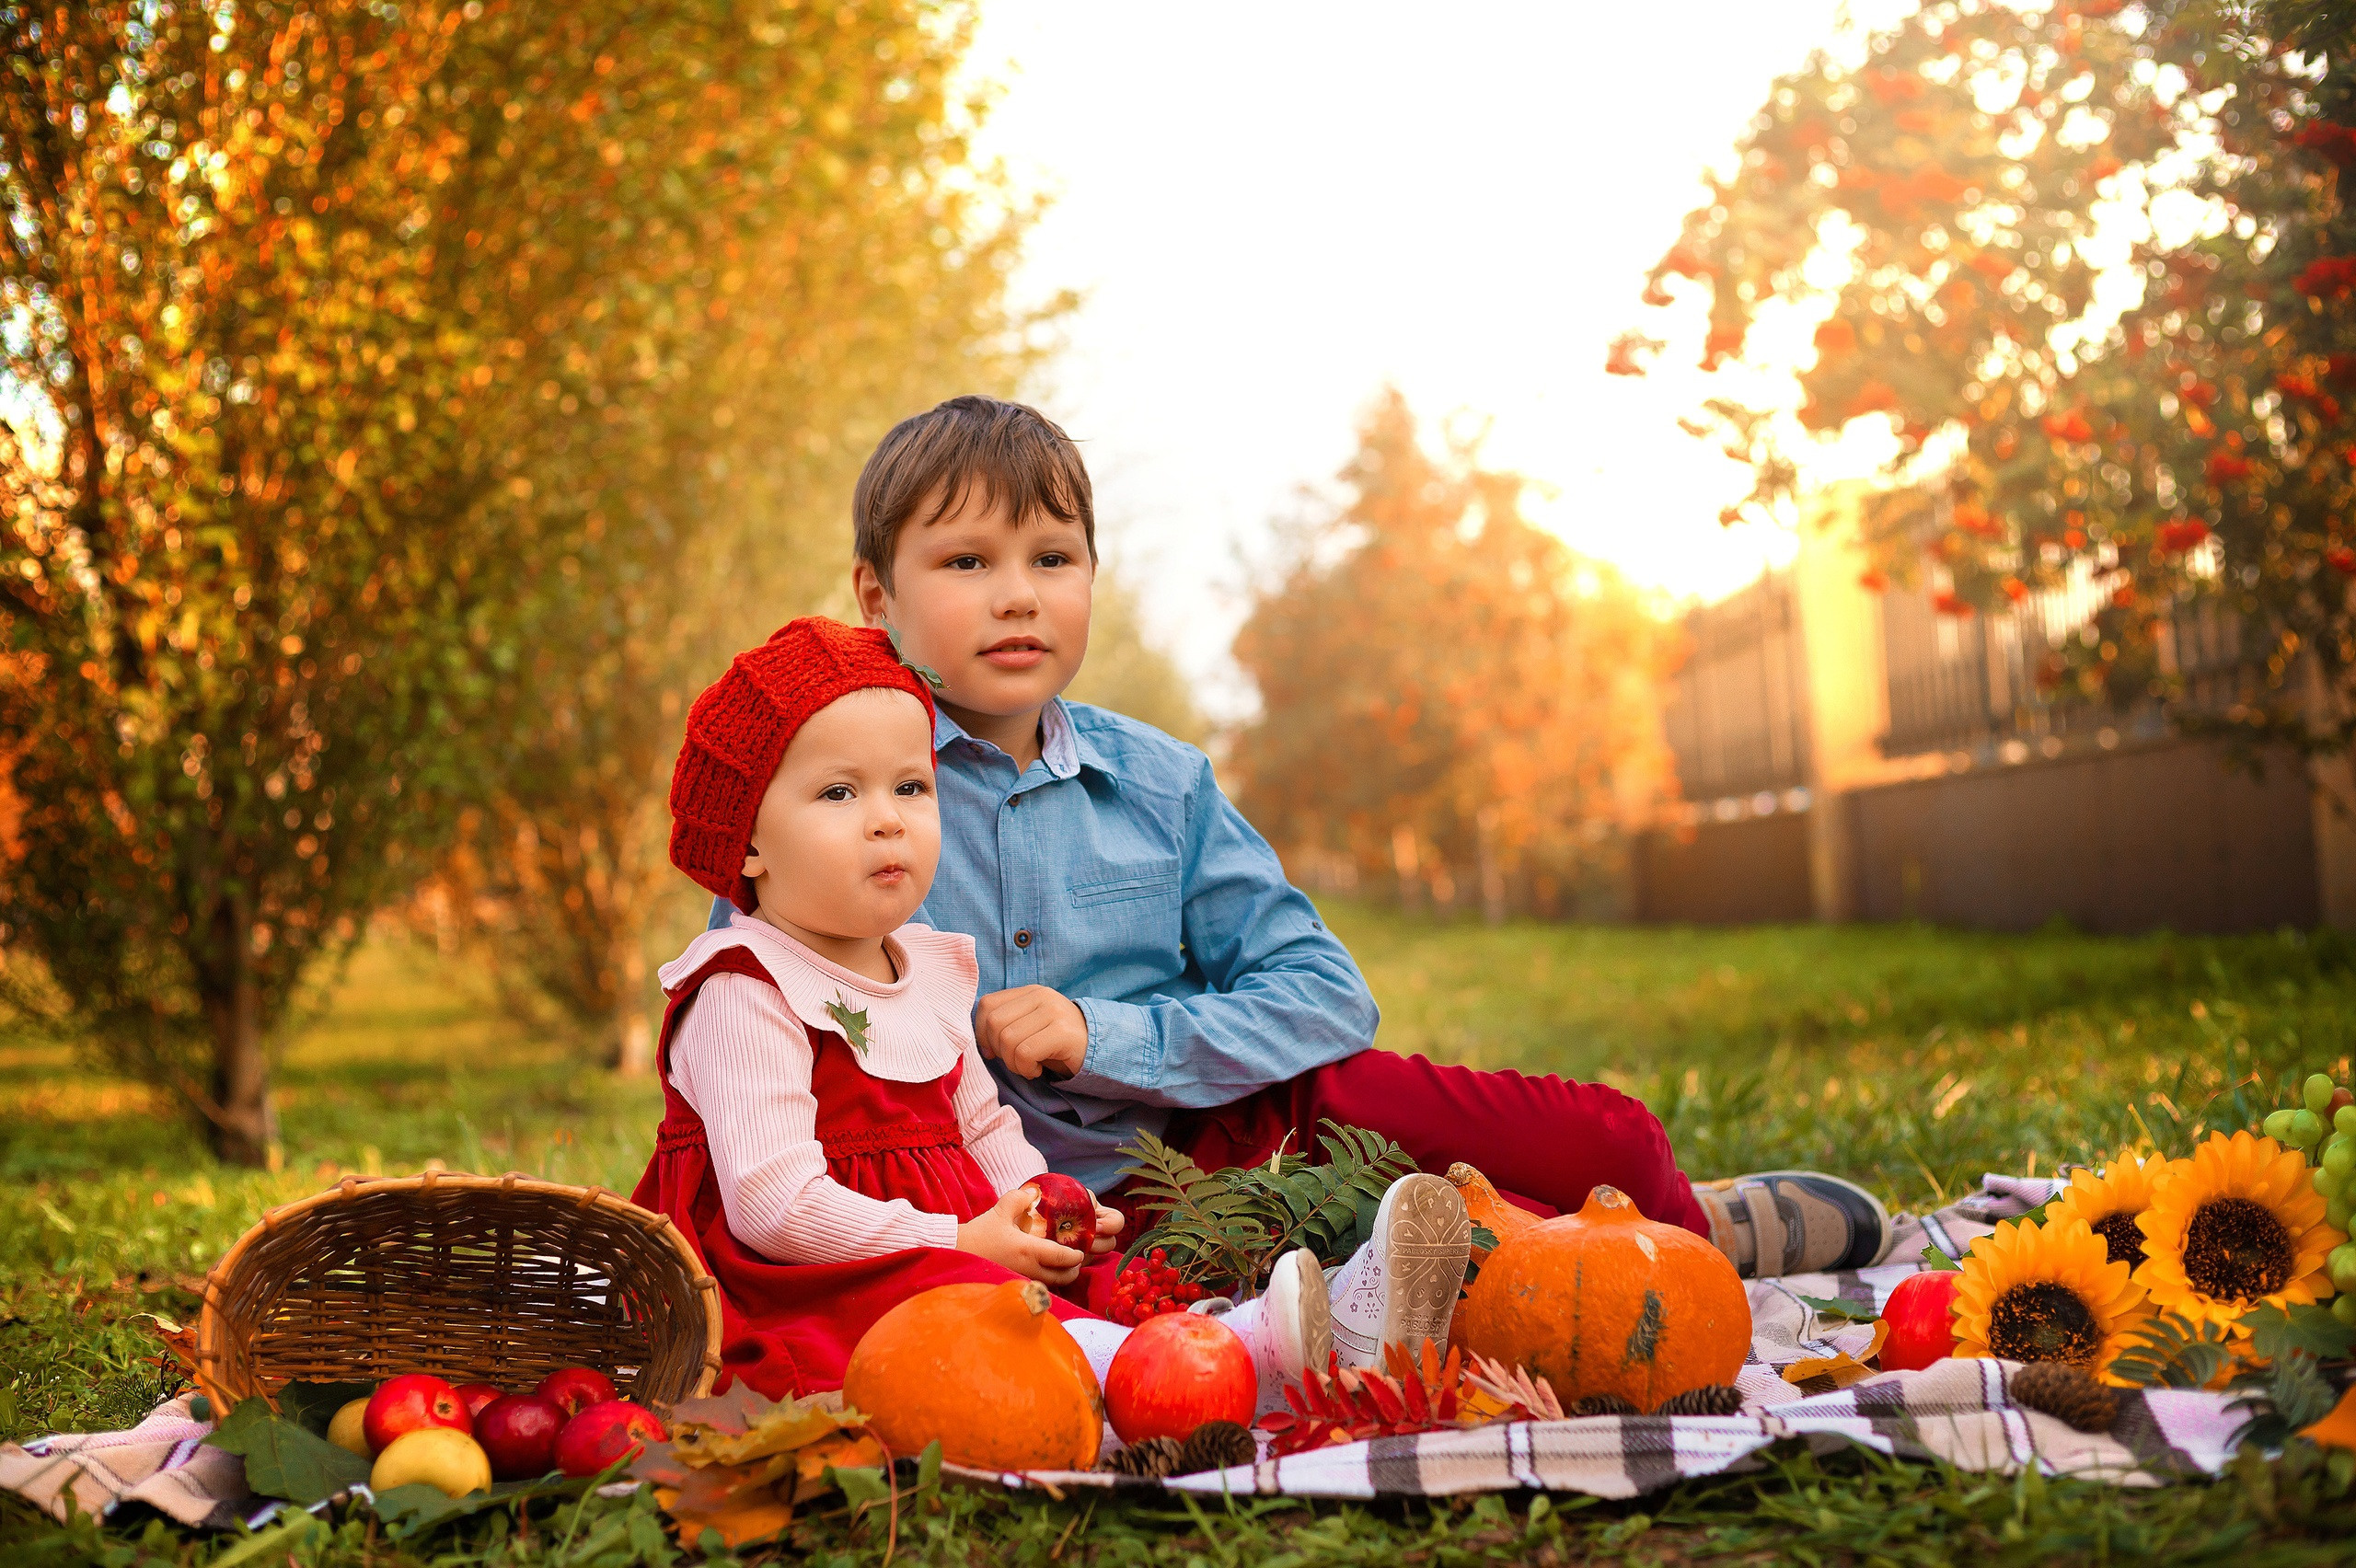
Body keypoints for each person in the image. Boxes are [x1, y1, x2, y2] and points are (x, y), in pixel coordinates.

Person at [708, 396, 1895, 1299]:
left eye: (1050, 559)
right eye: (967, 562)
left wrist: (1103, 1035)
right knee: (1403, 1275)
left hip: (1208, 1135)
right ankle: (1656, 1254)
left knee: (1597, 1136)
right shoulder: (819, 786)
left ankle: (1676, 1214)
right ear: (878, 595)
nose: (1017, 596)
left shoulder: (1159, 784)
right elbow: (743, 1004)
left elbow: (1327, 997)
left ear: (1090, 580)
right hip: (994, 1212)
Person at [638, 615, 1469, 1406]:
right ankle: (1234, 1362)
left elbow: (983, 1125)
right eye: (838, 794)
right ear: (746, 841)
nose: (888, 820)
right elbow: (773, 1207)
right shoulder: (745, 989)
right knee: (973, 1306)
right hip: (817, 1274)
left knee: (1087, 1278)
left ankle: (1264, 1340)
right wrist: (960, 1242)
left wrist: (1043, 1205)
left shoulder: (925, 965)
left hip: (959, 1239)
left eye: (910, 786)